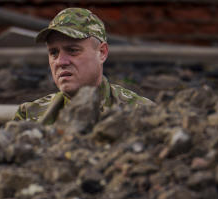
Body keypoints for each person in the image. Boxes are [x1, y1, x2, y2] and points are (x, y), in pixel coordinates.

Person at [13, 7, 153, 125]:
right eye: (54, 52)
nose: (61, 62)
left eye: (72, 50)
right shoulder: (29, 117)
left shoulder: (140, 113)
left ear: (102, 53)